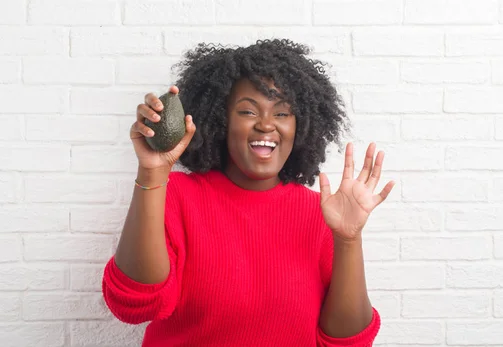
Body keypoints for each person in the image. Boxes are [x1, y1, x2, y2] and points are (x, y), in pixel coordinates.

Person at [101, 39, 395, 347]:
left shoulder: (322, 212)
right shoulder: (176, 195)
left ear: (302, 126)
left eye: (282, 114)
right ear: (221, 120)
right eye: (247, 111)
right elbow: (133, 304)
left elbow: (346, 341)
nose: (266, 125)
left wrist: (348, 239)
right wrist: (151, 173)